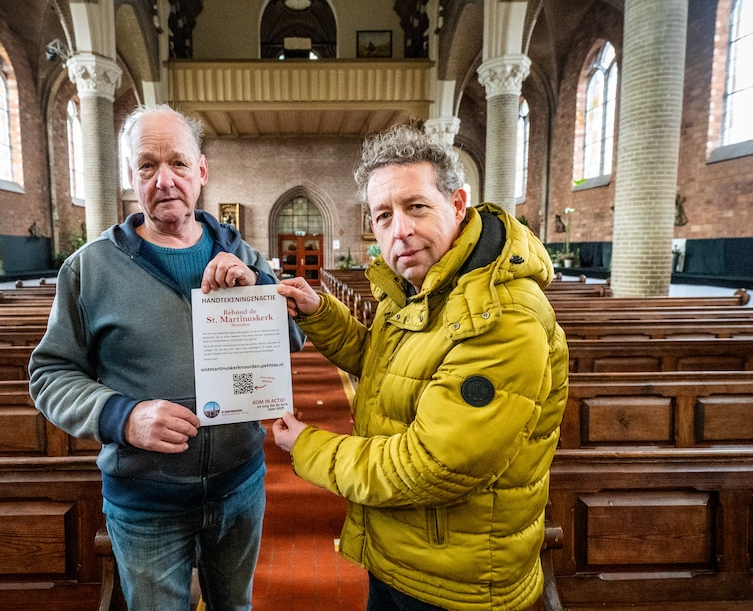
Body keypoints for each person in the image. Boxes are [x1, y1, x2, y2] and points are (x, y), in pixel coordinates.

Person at [272, 125, 569, 611]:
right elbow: (385, 366)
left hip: (457, 581)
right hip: (406, 553)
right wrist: (320, 313)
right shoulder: (423, 286)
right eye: (383, 215)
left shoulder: (501, 314)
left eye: (416, 207)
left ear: (457, 203)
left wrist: (308, 446)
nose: (400, 230)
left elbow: (433, 465)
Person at [28, 103, 305, 610]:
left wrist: (258, 293)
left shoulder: (244, 255)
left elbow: (291, 341)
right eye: (147, 165)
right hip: (145, 501)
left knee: (235, 607)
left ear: (201, 170)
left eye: (178, 163)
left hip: (239, 484)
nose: (165, 180)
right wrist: (123, 416)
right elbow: (50, 374)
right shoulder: (89, 268)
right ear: (130, 176)